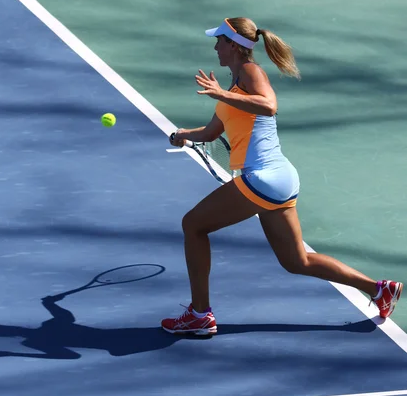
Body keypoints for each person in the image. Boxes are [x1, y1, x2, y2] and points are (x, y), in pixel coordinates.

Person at [161, 17, 403, 336]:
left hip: (262, 178)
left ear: (234, 45)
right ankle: (378, 288)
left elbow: (269, 105)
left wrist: (221, 94)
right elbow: (210, 131)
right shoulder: (234, 83)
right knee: (296, 261)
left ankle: (199, 314)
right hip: (281, 179)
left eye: (219, 41)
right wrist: (183, 134)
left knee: (193, 225)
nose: (216, 47)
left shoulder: (250, 72)